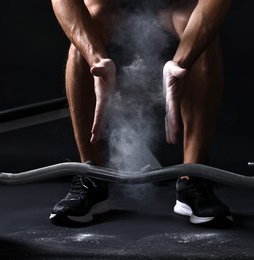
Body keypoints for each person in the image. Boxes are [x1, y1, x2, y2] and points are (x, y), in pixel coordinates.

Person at [49, 0, 232, 225]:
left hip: (174, 7)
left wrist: (182, 61)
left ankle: (193, 177)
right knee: (87, 30)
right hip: (108, 6)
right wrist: (94, 58)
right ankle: (91, 176)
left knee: (203, 37)